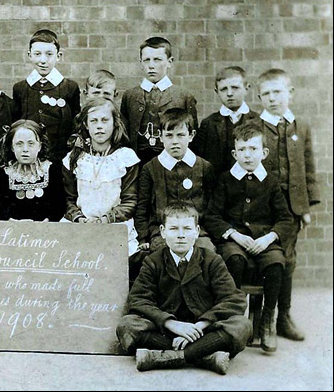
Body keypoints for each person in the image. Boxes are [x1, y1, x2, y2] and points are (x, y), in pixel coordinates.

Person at [116, 203, 252, 375]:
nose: (181, 235)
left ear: (196, 231)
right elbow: (138, 299)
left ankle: (168, 357)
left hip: (202, 331)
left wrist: (200, 325)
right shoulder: (153, 261)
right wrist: (172, 324)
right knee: (127, 326)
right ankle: (206, 356)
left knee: (242, 326)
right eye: (174, 229)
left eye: (187, 229)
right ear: (163, 232)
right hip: (166, 332)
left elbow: (233, 299)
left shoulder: (212, 260)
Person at [203, 124, 294, 352]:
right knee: (233, 259)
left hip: (264, 240)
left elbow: (285, 218)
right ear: (234, 154)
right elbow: (212, 216)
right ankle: (233, 320)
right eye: (242, 149)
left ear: (264, 153)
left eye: (253, 149)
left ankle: (267, 322)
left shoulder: (271, 182)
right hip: (235, 241)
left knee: (276, 263)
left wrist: (269, 238)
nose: (247, 154)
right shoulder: (225, 180)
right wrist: (233, 234)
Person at [256, 68, 320, 342]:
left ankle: (283, 316)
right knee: (270, 259)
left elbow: (307, 168)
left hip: (292, 206)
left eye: (278, 92)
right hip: (264, 205)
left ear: (290, 93)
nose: (273, 98)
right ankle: (261, 317)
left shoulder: (300, 126)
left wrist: (305, 207)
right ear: (259, 96)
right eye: (267, 93)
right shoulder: (255, 125)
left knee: (289, 260)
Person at [61, 97, 142, 279]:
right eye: (94, 121)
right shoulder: (74, 159)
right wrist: (80, 219)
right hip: (81, 226)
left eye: (105, 120)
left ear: (115, 123)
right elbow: (69, 199)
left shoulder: (125, 158)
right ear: (86, 125)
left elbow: (130, 201)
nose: (99, 126)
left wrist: (106, 219)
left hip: (114, 225)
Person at [135, 108, 216, 254]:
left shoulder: (204, 167)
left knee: (206, 252)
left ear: (191, 136)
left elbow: (212, 206)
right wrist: (143, 238)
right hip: (162, 233)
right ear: (160, 136)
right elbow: (142, 207)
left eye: (180, 135)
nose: (175, 142)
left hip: (197, 233)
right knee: (163, 253)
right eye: (169, 136)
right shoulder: (151, 168)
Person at [121, 37, 199, 166]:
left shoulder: (184, 96)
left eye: (157, 60)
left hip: (171, 162)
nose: (151, 65)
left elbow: (192, 137)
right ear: (141, 63)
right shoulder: (130, 95)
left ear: (169, 62)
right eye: (146, 60)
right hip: (137, 161)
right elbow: (124, 134)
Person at [13, 29, 81, 163]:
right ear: (29, 55)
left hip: (60, 158)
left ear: (58, 56)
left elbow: (75, 123)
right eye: (37, 54)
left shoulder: (70, 87)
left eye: (49, 54)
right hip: (30, 159)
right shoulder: (20, 88)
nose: (43, 60)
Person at [0, 119, 64, 221]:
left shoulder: (51, 170)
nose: (25, 149)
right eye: (19, 144)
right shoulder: (3, 173)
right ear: (12, 147)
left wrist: (47, 221)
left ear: (40, 146)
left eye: (31, 143)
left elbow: (59, 206)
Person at [194, 66, 259, 174]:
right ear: (216, 91)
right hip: (217, 186)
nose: (229, 93)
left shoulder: (258, 121)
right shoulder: (208, 124)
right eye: (224, 89)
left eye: (235, 88)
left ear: (246, 89)